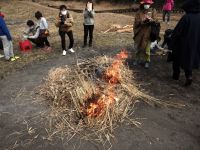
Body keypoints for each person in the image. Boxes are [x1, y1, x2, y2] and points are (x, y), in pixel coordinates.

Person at [169, 0, 200, 86]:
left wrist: (171, 44)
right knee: (190, 60)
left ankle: (176, 75)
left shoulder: (186, 17)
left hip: (183, 44)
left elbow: (177, 32)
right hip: (196, 44)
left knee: (176, 58)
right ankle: (189, 76)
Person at [133, 0, 158, 68]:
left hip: (149, 33)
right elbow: (136, 21)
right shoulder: (139, 12)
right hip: (140, 32)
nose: (147, 5)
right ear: (143, 4)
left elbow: (156, 20)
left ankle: (147, 61)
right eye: (145, 3)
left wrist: (151, 20)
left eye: (148, 4)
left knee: (147, 49)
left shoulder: (153, 11)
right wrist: (143, 21)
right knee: (138, 47)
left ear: (150, 4)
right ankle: (137, 59)